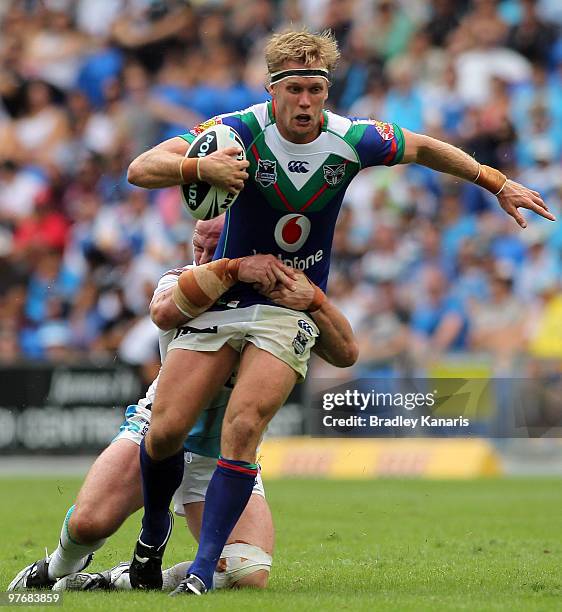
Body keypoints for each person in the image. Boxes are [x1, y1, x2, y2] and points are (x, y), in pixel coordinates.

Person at [125, 29, 554, 596]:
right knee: (166, 433)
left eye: (317, 90)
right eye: (296, 89)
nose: (307, 102)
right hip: (225, 297)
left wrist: (496, 181)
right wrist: (198, 171)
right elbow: (140, 167)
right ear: (273, 90)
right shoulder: (236, 132)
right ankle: (152, 539)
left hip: (290, 305)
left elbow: (423, 147)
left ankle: (201, 571)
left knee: (245, 425)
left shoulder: (351, 138)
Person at [8, 216, 358, 592]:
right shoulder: (181, 279)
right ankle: (54, 567)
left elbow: (346, 352)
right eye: (199, 245)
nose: (204, 255)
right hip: (158, 432)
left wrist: (315, 301)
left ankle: (123, 579)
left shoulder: (281, 296)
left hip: (221, 454)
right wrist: (231, 270)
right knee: (88, 525)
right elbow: (163, 310)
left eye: (215, 246)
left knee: (248, 572)